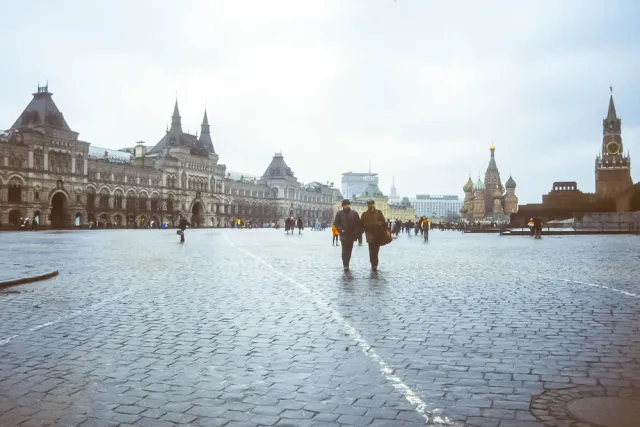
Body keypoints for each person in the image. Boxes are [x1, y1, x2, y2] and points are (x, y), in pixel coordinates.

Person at [333, 199, 362, 272]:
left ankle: (347, 263)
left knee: (349, 250)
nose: (347, 206)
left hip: (351, 235)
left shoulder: (354, 213)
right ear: (343, 206)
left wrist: (356, 231)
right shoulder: (339, 214)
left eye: (348, 204)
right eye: (346, 205)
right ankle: (345, 265)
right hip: (343, 235)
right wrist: (340, 229)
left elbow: (358, 224)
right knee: (344, 250)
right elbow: (336, 223)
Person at [361, 199, 386, 272]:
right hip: (369, 234)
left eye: (371, 204)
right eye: (369, 204)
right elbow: (362, 224)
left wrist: (380, 224)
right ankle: (373, 264)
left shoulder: (379, 213)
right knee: (371, 250)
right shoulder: (365, 214)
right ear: (367, 205)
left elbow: (383, 222)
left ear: (374, 204)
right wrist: (368, 225)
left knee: (376, 250)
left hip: (377, 234)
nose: (370, 205)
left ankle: (375, 264)